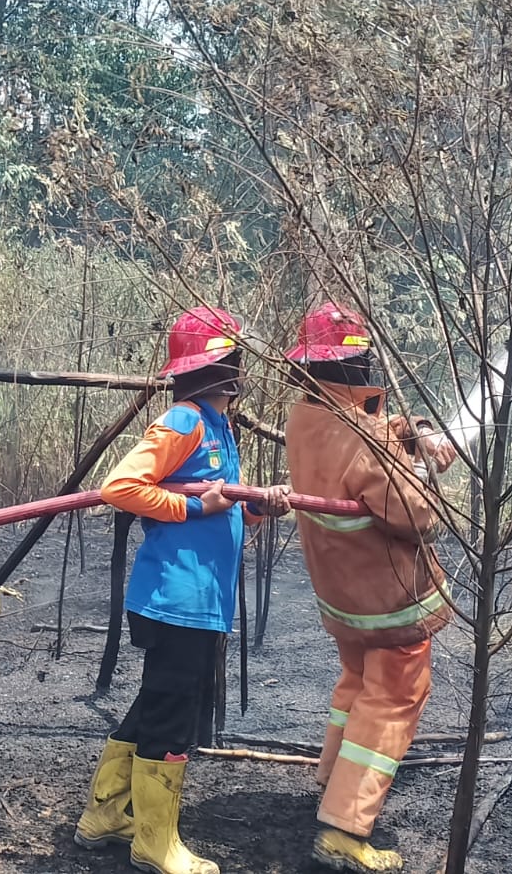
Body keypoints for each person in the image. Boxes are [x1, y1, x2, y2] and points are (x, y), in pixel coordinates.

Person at [75, 306, 290, 874]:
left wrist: (257, 509)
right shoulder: (184, 421)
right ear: (227, 366)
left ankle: (104, 815)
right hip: (177, 601)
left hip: (200, 600)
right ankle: (155, 843)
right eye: (237, 358)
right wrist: (195, 503)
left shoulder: (220, 428)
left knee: (156, 705)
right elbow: (119, 486)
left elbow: (220, 519)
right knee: (171, 720)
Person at [283, 302, 457, 874]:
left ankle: (332, 783)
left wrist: (410, 432)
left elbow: (363, 430)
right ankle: (345, 829)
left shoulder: (305, 418)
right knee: (392, 701)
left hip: (342, 598)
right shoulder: (367, 443)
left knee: (356, 685)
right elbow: (415, 515)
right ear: (360, 364)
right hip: (388, 600)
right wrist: (429, 467)